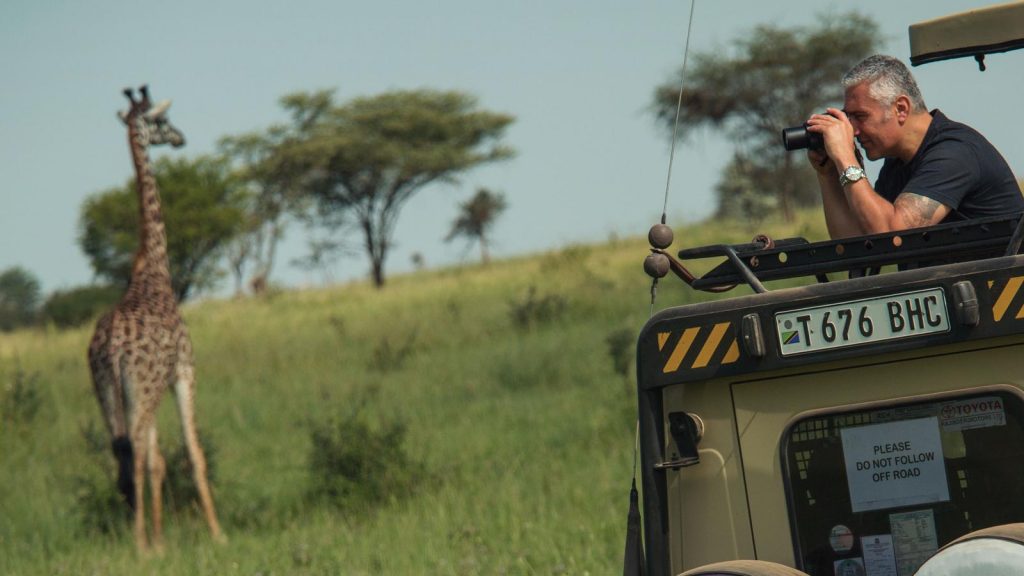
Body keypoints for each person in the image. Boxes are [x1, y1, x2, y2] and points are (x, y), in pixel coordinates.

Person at [806, 54, 1023, 239]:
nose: (853, 130)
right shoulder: (898, 164)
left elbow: (893, 236)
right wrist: (829, 175)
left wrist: (845, 157)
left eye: (860, 116)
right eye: (848, 117)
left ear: (901, 108)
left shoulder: (953, 154)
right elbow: (857, 241)